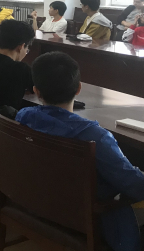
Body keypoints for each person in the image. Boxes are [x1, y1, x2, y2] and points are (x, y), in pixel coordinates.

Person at [16, 52, 144, 251]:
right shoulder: (95, 136)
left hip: (43, 205)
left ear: (36, 91)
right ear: (78, 88)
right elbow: (135, 185)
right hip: (91, 221)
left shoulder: (23, 118)